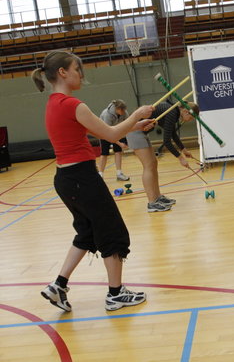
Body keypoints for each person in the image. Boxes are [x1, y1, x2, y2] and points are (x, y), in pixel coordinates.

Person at [31, 51, 153, 311]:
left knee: (87, 233)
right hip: (82, 178)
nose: (81, 74)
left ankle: (58, 285)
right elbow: (109, 134)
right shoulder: (74, 105)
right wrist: (136, 115)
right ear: (63, 72)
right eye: (77, 69)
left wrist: (134, 126)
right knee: (112, 232)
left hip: (65, 179)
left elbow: (98, 130)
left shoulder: (55, 104)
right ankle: (116, 294)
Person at [125, 100, 199, 213]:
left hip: (141, 133)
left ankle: (157, 197)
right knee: (148, 166)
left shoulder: (173, 112)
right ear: (185, 111)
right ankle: (152, 203)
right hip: (134, 132)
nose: (191, 120)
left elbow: (172, 133)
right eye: (192, 117)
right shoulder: (172, 113)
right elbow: (167, 142)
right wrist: (181, 158)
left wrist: (184, 150)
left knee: (153, 164)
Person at [97, 99, 130, 181]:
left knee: (118, 152)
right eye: (122, 110)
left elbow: (128, 124)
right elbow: (108, 133)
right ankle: (100, 175)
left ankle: (119, 173)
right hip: (104, 133)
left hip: (116, 131)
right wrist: (119, 143)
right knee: (104, 153)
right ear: (117, 109)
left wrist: (127, 139)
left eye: (124, 110)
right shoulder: (107, 115)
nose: (124, 112)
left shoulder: (124, 113)